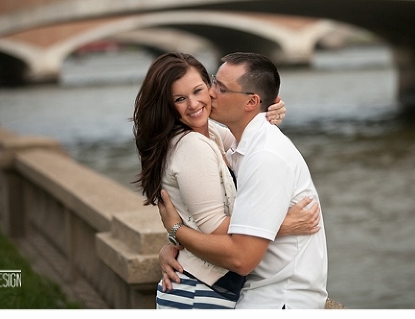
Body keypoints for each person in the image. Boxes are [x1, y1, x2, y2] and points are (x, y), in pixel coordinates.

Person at [132, 52, 321, 309]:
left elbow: (248, 136)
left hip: (206, 288)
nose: (198, 102)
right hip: (200, 291)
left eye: (204, 89)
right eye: (179, 99)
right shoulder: (193, 145)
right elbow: (215, 228)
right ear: (167, 105)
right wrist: (282, 224)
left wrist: (266, 109)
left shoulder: (213, 134)